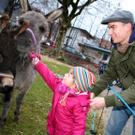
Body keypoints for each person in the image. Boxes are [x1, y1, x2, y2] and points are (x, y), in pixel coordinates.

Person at [89, 10, 135, 135]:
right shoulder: (116, 48)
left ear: (128, 26)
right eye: (109, 28)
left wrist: (106, 101)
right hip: (125, 95)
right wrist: (93, 92)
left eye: (113, 27)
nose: (109, 33)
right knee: (111, 131)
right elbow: (109, 73)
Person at [29, 51, 96, 135]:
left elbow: (79, 125)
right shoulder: (60, 88)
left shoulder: (80, 103)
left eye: (68, 75)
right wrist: (37, 62)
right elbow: (48, 75)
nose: (64, 75)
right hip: (53, 127)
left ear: (76, 84)